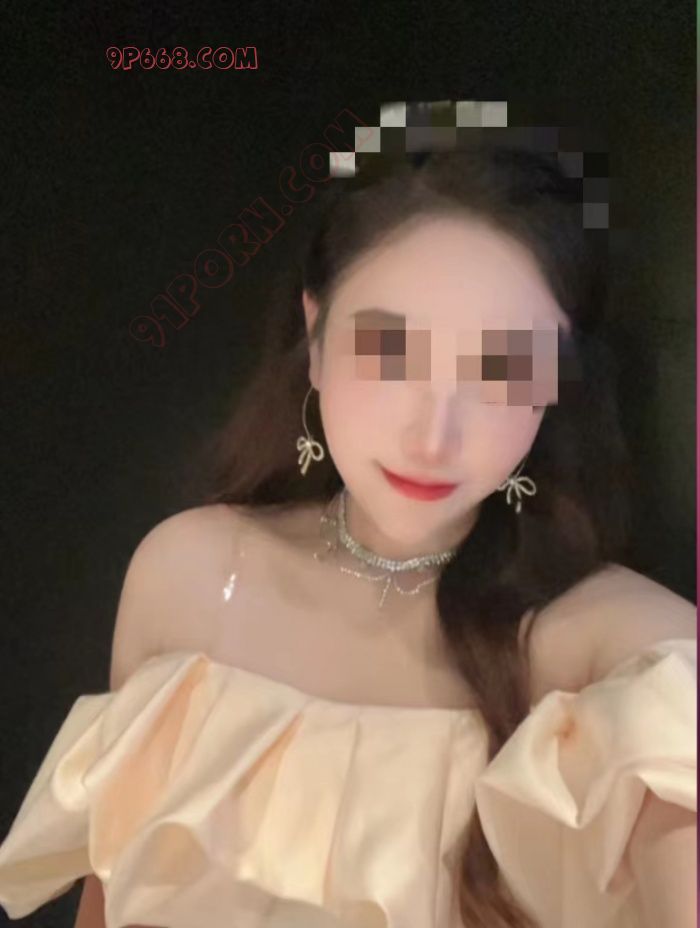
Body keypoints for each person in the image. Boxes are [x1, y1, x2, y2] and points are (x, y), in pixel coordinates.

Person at [0, 143, 695, 928]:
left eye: (502, 367)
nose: (434, 436)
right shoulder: (187, 578)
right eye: (389, 351)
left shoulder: (625, 655)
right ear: (316, 333)